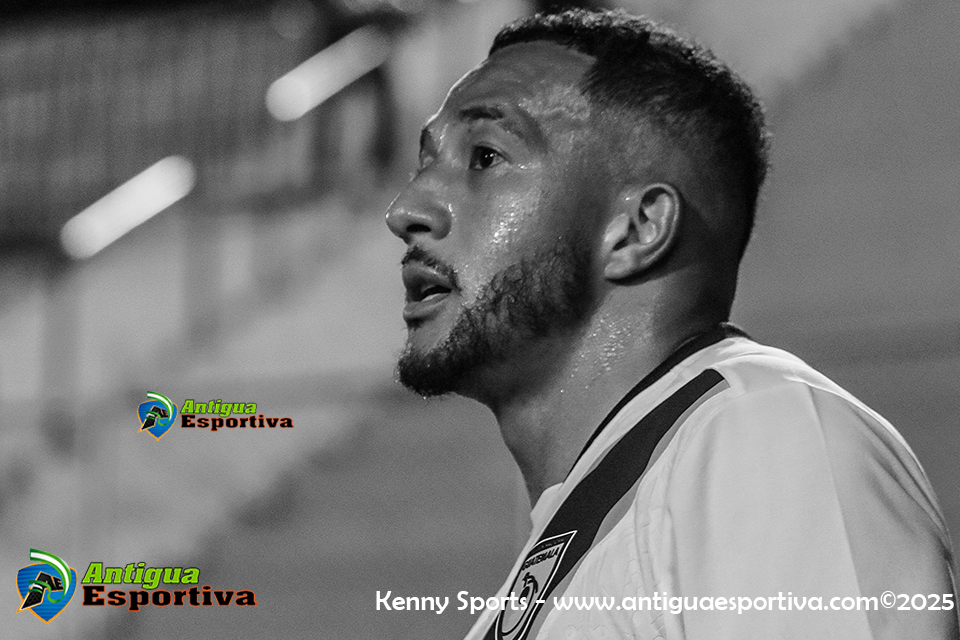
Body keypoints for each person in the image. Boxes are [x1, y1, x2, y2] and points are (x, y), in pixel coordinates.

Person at [384, 9, 958, 639]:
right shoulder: (564, 560)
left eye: (485, 156)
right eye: (424, 162)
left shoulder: (761, 432)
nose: (406, 209)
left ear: (638, 230)